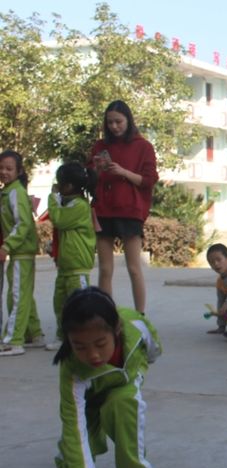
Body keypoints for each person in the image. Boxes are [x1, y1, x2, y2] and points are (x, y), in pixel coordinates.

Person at [48, 287, 161, 468]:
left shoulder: (134, 324)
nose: (93, 355)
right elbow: (74, 427)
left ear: (117, 330)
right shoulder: (72, 368)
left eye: (100, 344)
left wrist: (140, 368)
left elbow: (153, 349)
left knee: (123, 404)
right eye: (80, 346)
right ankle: (68, 466)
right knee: (81, 436)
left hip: (123, 384)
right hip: (89, 398)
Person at [88, 100, 159, 314]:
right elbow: (89, 179)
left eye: (118, 121)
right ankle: (106, 315)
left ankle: (140, 315)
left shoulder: (143, 146)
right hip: (103, 209)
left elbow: (148, 180)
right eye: (110, 122)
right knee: (105, 269)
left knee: (134, 268)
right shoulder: (100, 146)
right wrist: (97, 170)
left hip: (130, 211)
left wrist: (123, 172)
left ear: (128, 120)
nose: (114, 126)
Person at [46, 162, 98, 352]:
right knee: (60, 304)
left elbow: (59, 219)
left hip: (77, 266)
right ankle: (63, 336)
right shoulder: (69, 204)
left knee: (79, 306)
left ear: (68, 186)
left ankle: (83, 338)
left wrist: (52, 198)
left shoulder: (79, 206)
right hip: (65, 265)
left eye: (59, 183)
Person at [0, 150, 44, 356]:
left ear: (18, 171)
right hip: (22, 252)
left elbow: (23, 223)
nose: (4, 172)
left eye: (9, 168)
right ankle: (33, 334)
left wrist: (7, 246)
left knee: (17, 296)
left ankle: (13, 341)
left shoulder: (15, 192)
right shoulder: (9, 192)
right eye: (1, 168)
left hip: (20, 252)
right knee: (23, 294)